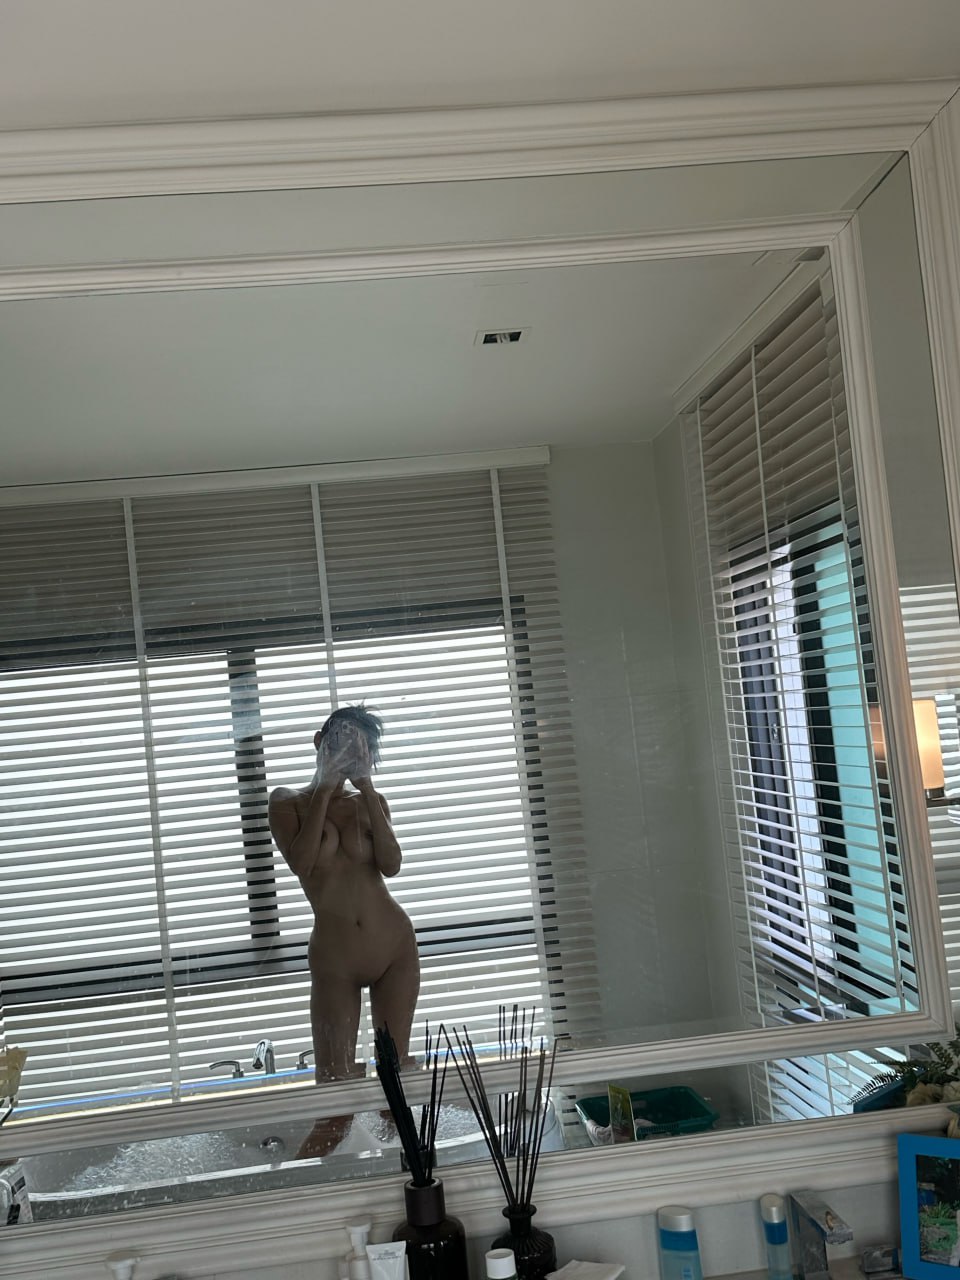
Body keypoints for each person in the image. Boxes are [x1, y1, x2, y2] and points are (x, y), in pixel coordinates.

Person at [268, 705, 420, 1085]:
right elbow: (301, 863)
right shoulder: (286, 801)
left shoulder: (371, 802)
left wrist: (365, 787)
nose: (346, 754)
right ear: (319, 742)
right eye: (338, 743)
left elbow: (392, 864)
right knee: (335, 1083)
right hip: (334, 958)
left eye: (357, 748)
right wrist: (324, 787)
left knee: (396, 1079)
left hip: (394, 945)